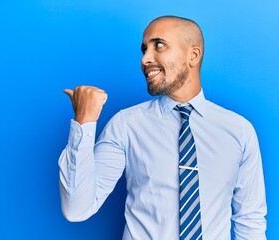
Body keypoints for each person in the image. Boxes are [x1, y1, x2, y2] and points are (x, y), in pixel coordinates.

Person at [59, 15, 267, 240]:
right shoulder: (126, 125)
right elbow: (76, 209)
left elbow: (250, 221)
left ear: (193, 55)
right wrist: (84, 121)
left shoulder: (239, 131)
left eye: (159, 45)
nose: (146, 59)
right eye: (144, 49)